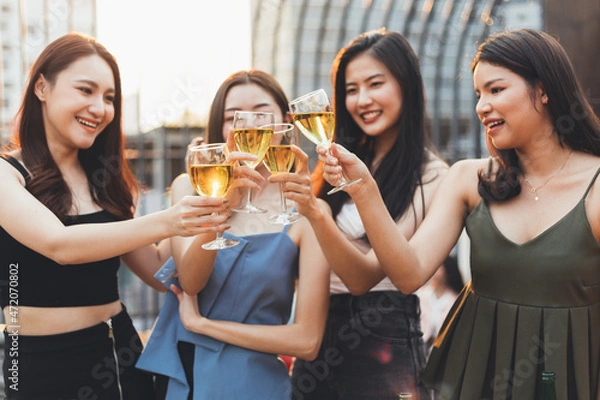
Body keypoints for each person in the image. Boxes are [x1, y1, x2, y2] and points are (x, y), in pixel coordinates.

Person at [318, 28, 600, 399]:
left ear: (544, 89)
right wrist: (365, 189)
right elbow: (408, 273)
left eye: (496, 90)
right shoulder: (469, 178)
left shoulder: (595, 186)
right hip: (477, 380)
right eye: (478, 94)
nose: (481, 106)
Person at [0, 32, 230, 399]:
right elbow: (59, 245)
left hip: (116, 356)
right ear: (41, 87)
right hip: (35, 364)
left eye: (109, 98)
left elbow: (156, 269)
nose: (100, 108)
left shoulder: (104, 180)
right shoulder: (7, 174)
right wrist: (169, 219)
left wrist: (200, 190)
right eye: (85, 90)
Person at [136, 69, 331, 399]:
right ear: (220, 127)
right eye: (234, 117)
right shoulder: (189, 188)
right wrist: (225, 204)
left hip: (257, 383)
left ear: (285, 120)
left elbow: (307, 342)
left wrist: (204, 326)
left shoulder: (307, 211)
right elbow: (193, 280)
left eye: (262, 113)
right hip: (189, 376)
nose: (250, 125)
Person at [283, 29, 448, 399]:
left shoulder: (432, 175)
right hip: (318, 338)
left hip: (383, 343)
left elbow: (366, 276)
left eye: (376, 84)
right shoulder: (334, 165)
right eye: (351, 89)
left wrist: (317, 214)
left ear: (407, 85)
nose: (363, 100)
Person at [415, 255, 464, 353]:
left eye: (439, 267)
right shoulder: (422, 295)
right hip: (421, 349)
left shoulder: (455, 299)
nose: (435, 270)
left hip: (445, 350)